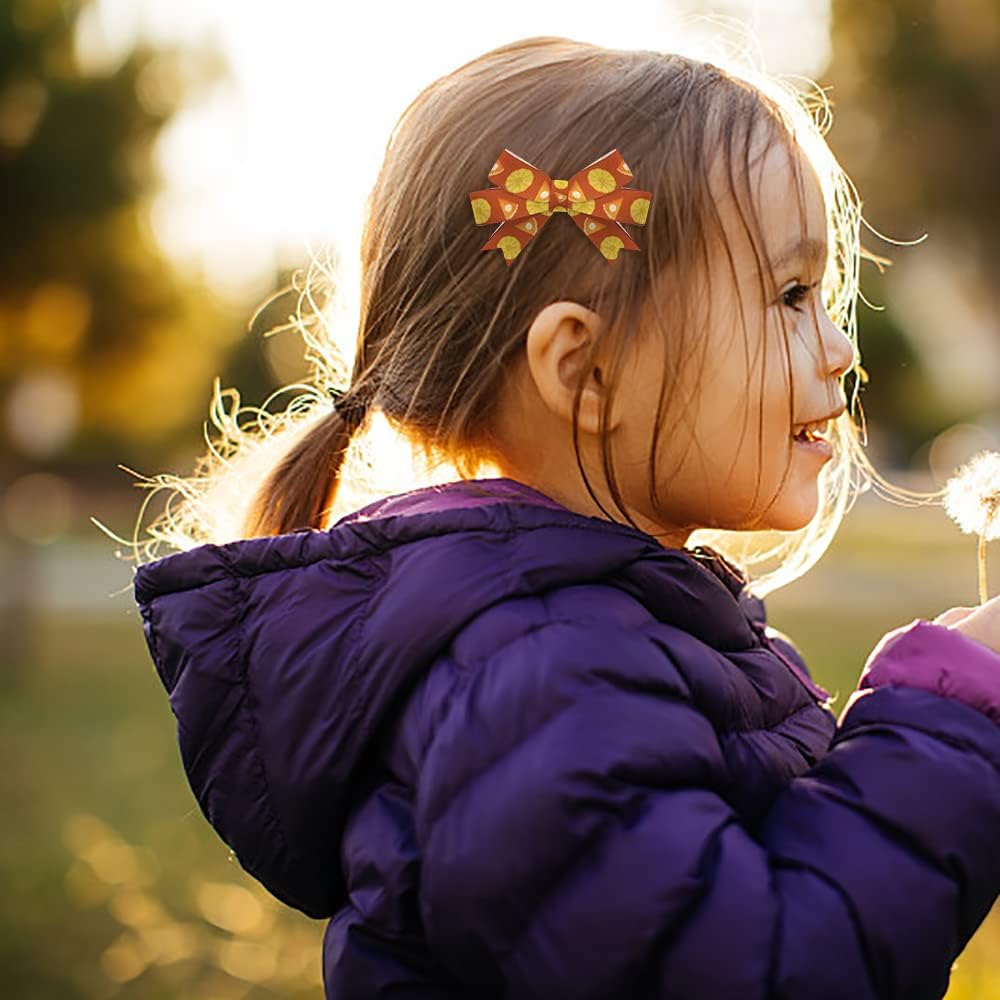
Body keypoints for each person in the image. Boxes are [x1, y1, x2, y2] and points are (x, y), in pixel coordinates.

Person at [131, 36, 1000, 999]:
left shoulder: (600, 638)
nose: (839, 347)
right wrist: (943, 729)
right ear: (586, 372)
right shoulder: (538, 675)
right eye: (791, 296)